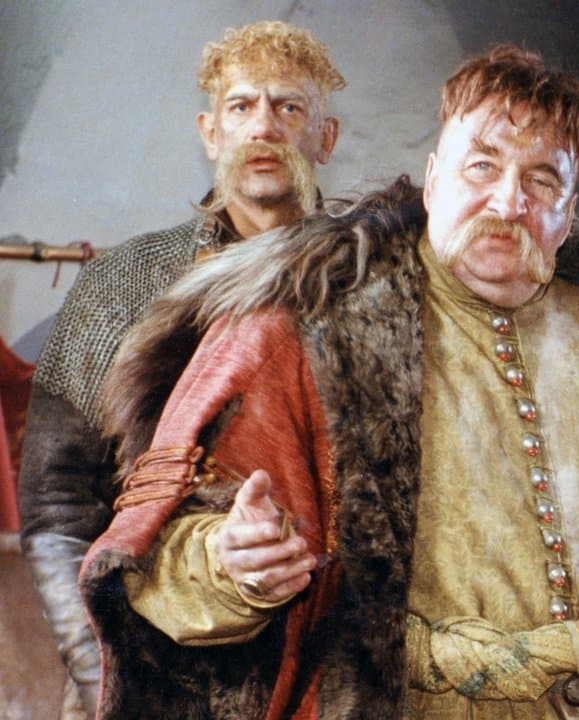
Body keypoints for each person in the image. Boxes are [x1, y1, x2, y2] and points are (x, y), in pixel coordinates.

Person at [81, 45, 579, 719]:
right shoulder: (308, 327)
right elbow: (159, 550)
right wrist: (233, 565)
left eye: (541, 181)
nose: (508, 202)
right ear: (434, 181)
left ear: (570, 210)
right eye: (482, 166)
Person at [17, 20, 343, 719]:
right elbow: (57, 505)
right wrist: (103, 675)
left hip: (324, 669)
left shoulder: (368, 286)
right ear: (210, 132)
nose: (264, 126)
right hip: (149, 667)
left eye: (289, 106)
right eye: (241, 105)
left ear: (326, 137)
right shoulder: (124, 282)